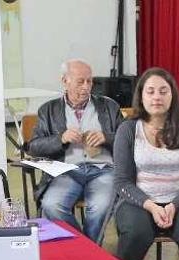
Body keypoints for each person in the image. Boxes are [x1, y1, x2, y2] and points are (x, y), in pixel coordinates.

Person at [112, 67, 179, 260]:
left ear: (172, 95)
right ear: (141, 96)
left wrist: (173, 205)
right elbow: (121, 181)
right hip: (139, 202)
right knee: (136, 233)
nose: (157, 97)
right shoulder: (128, 129)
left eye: (163, 91)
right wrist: (151, 205)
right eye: (150, 91)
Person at [27, 59, 124, 242]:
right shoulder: (48, 110)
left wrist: (107, 137)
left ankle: (84, 253)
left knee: (100, 206)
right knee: (51, 205)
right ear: (65, 81)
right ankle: (87, 248)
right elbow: (34, 146)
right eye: (81, 81)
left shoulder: (109, 107)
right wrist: (61, 139)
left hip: (103, 170)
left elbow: (129, 140)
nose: (87, 87)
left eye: (90, 81)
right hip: (66, 171)